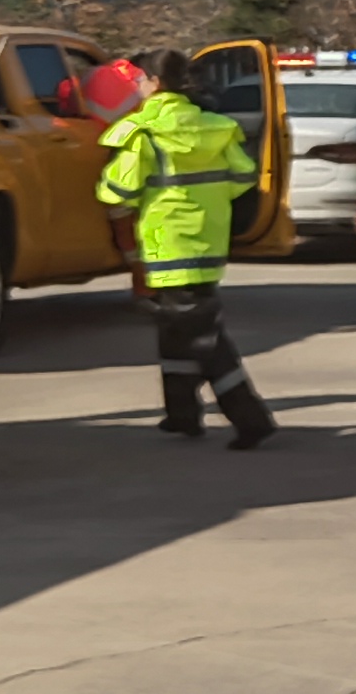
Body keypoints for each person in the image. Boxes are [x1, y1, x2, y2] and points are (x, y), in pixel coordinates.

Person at [99, 48, 276, 448]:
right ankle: (181, 413)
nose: (137, 86)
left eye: (140, 79)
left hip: (168, 243)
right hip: (208, 240)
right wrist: (207, 201)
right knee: (177, 328)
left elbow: (118, 191)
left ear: (155, 83)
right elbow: (243, 176)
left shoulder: (144, 132)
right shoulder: (214, 126)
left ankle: (250, 419)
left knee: (203, 339)